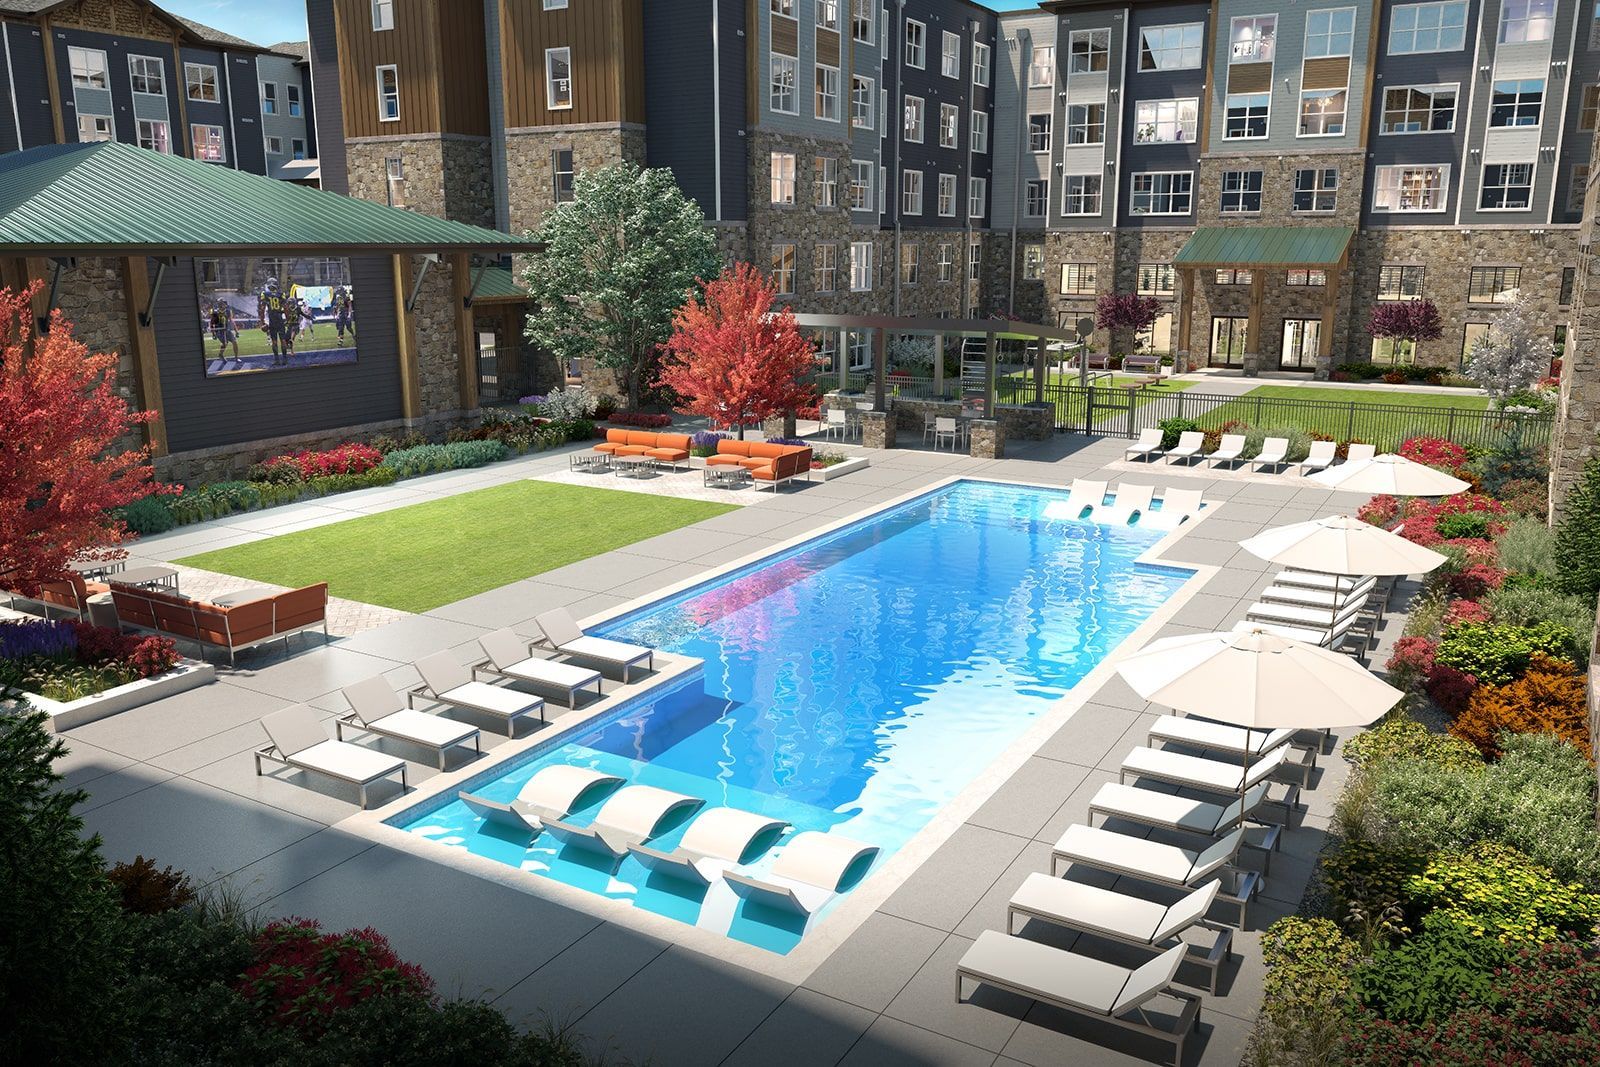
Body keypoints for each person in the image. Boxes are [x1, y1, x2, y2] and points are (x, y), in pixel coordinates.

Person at [258, 278, 289, 365]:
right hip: (279, 318)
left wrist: (262, 322)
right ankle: (285, 359)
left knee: (274, 341)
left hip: (272, 319)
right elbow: (286, 308)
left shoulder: (265, 294)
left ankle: (276, 360)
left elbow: (262, 309)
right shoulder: (281, 294)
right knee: (283, 340)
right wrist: (287, 319)